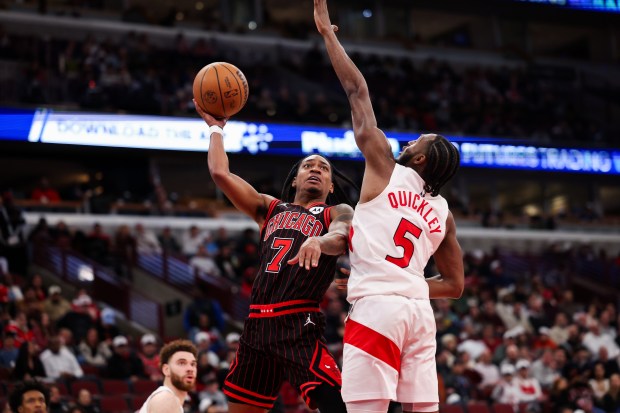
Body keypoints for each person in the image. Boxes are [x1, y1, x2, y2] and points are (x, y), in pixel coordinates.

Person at [312, 1, 464, 412]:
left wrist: (328, 35)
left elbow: (357, 91)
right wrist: (407, 283)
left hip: (377, 309)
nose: (411, 140)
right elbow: (454, 285)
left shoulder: (383, 165)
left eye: (418, 141)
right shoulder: (443, 212)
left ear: (418, 159)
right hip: (419, 316)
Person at [195, 99, 355, 413]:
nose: (316, 170)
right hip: (256, 323)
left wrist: (319, 243)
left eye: (323, 168)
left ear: (331, 184)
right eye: (309, 165)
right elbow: (219, 173)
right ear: (295, 179)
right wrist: (215, 129)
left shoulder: (336, 210)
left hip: (300, 321)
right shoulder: (269, 208)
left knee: (339, 404)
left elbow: (343, 236)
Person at [139, 339, 198, 413]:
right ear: (166, 370)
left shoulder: (170, 399)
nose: (190, 369)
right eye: (182, 363)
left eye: (193, 364)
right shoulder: (166, 399)